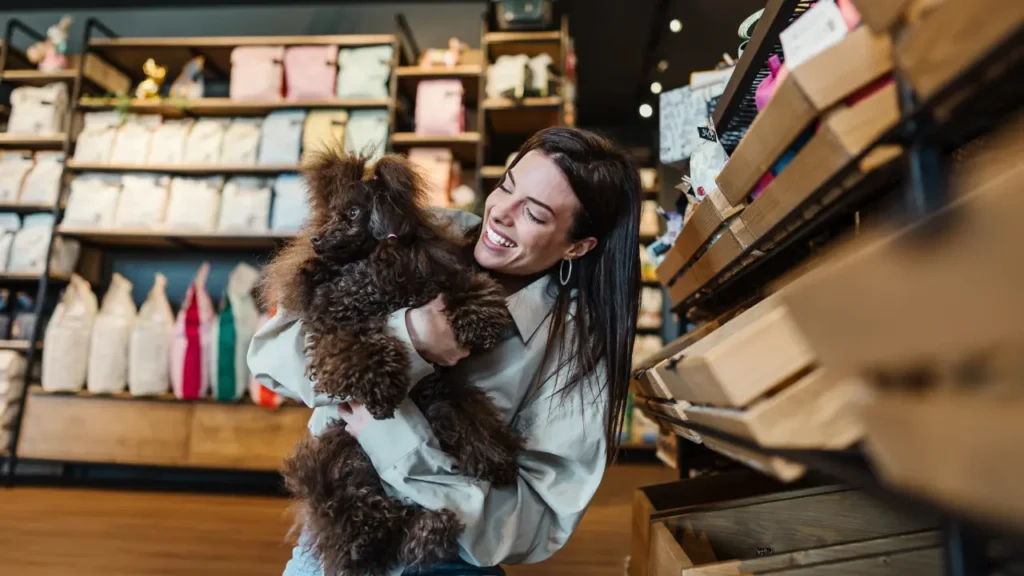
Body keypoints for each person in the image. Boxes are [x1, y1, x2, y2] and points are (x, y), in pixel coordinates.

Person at [248, 126, 642, 576]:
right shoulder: (417, 232)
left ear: (578, 245)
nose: (501, 215)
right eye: (506, 187)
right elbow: (270, 357)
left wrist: (394, 439)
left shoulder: (574, 349)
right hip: (328, 541)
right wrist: (410, 339)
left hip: (444, 559)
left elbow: (537, 521)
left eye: (533, 214)